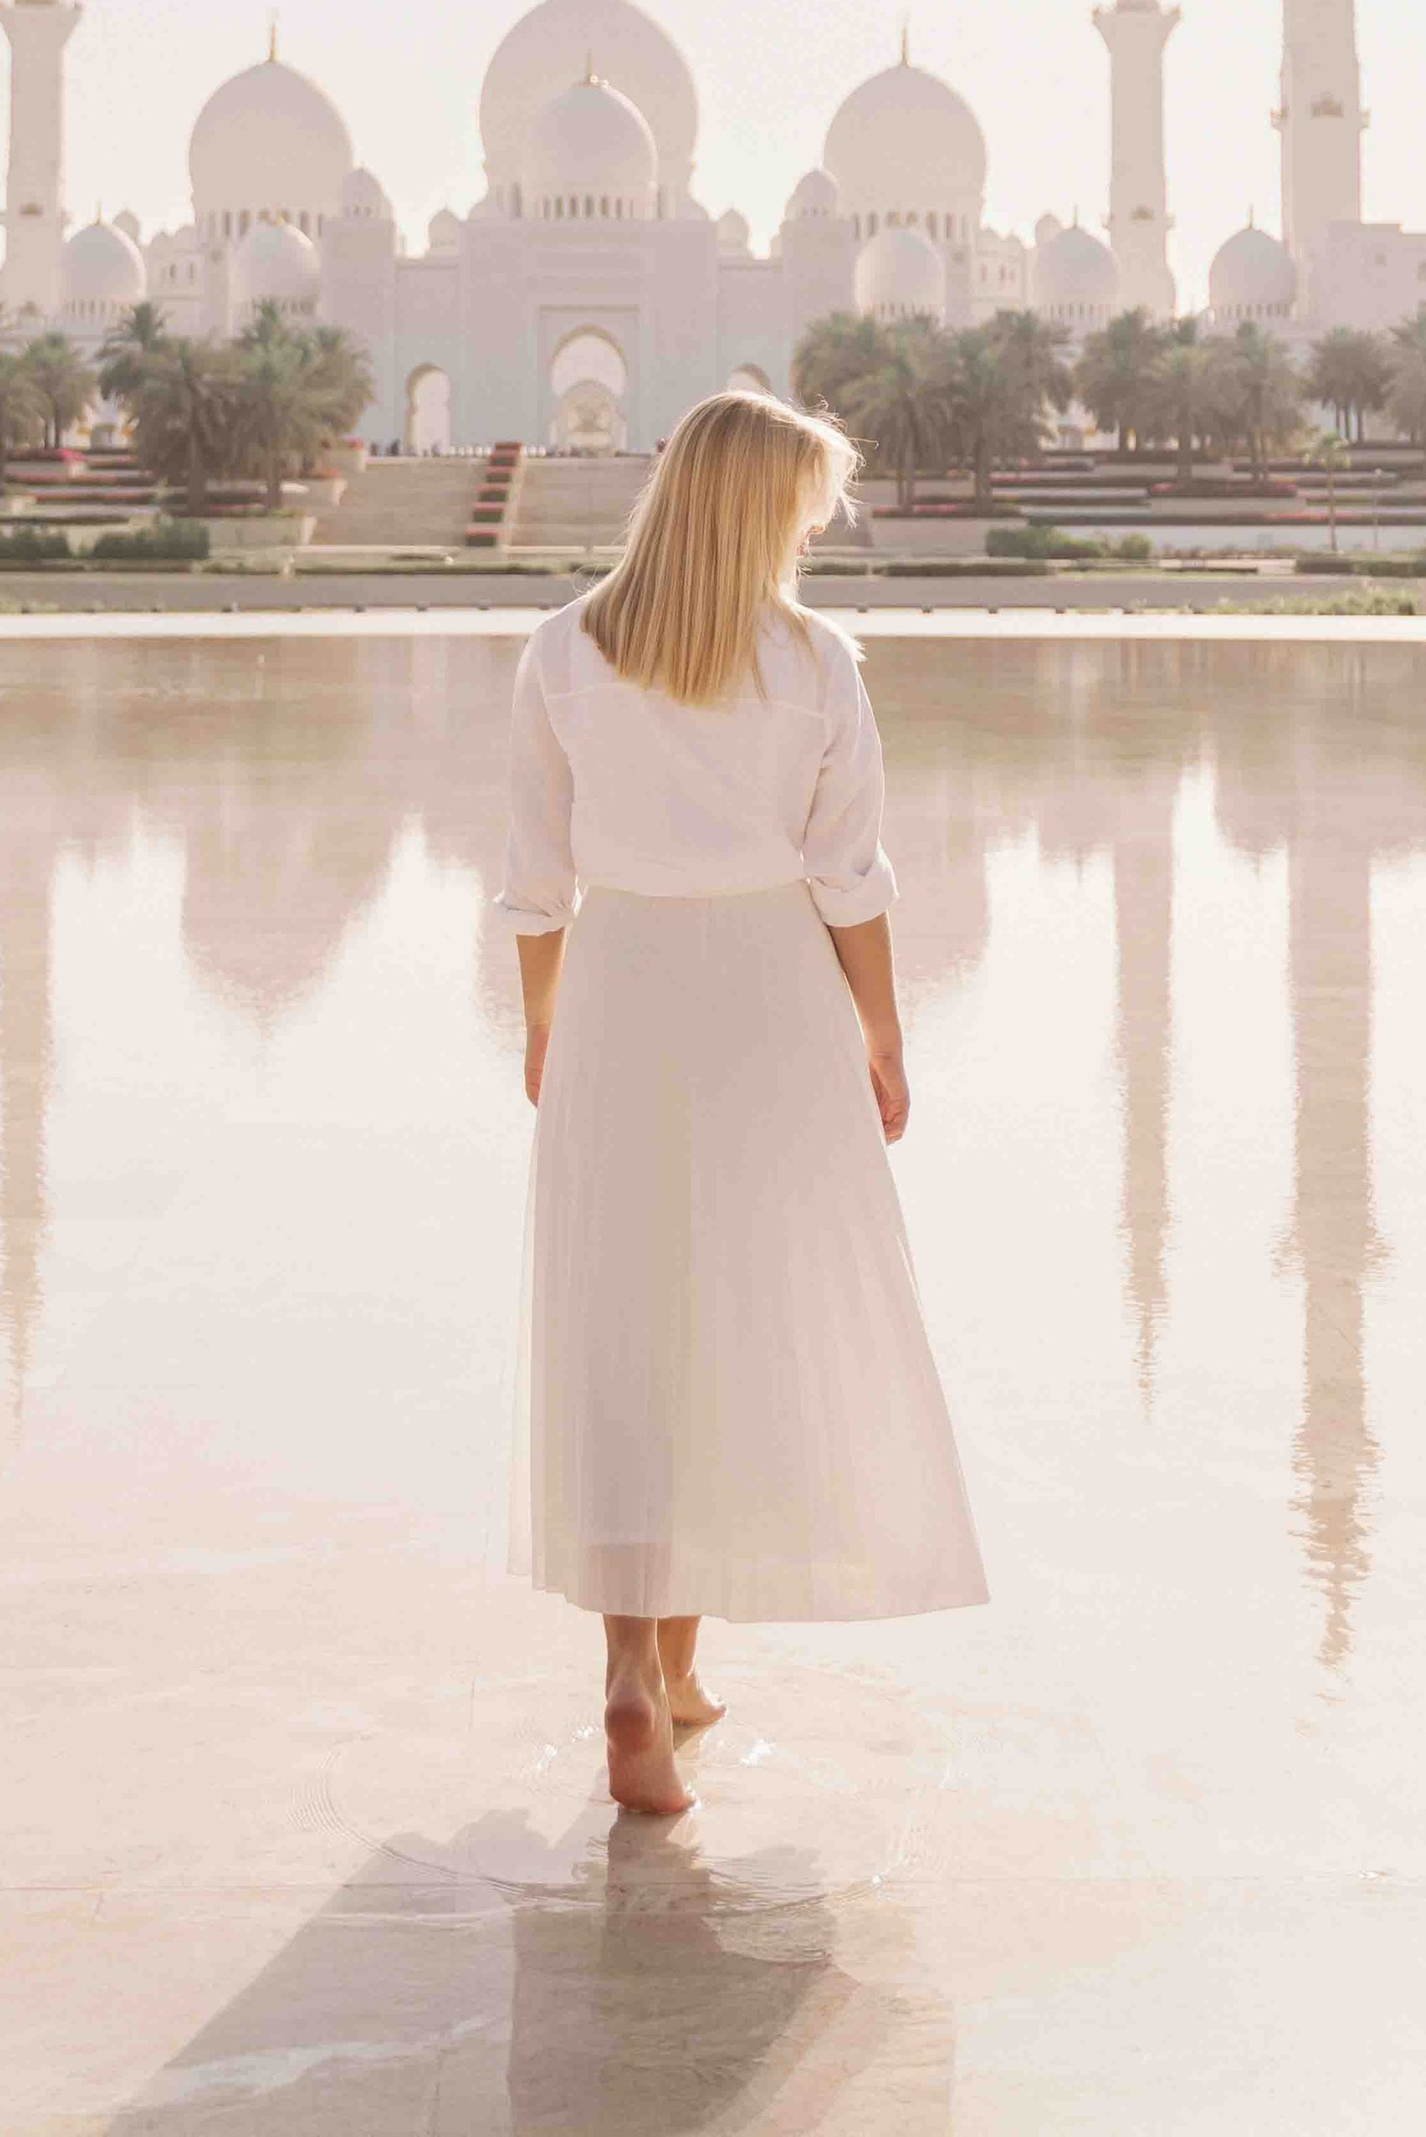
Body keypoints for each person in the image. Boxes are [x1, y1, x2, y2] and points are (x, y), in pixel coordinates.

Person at [496, 385, 987, 1816]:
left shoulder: (562, 651)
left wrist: (543, 1021)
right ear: (764, 507)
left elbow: (536, 878)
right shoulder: (818, 661)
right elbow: (851, 874)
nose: (818, 530)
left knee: (624, 1325)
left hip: (622, 985)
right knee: (732, 1318)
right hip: (774, 999)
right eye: (810, 506)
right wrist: (883, 1028)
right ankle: (685, 1671)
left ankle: (636, 1672)